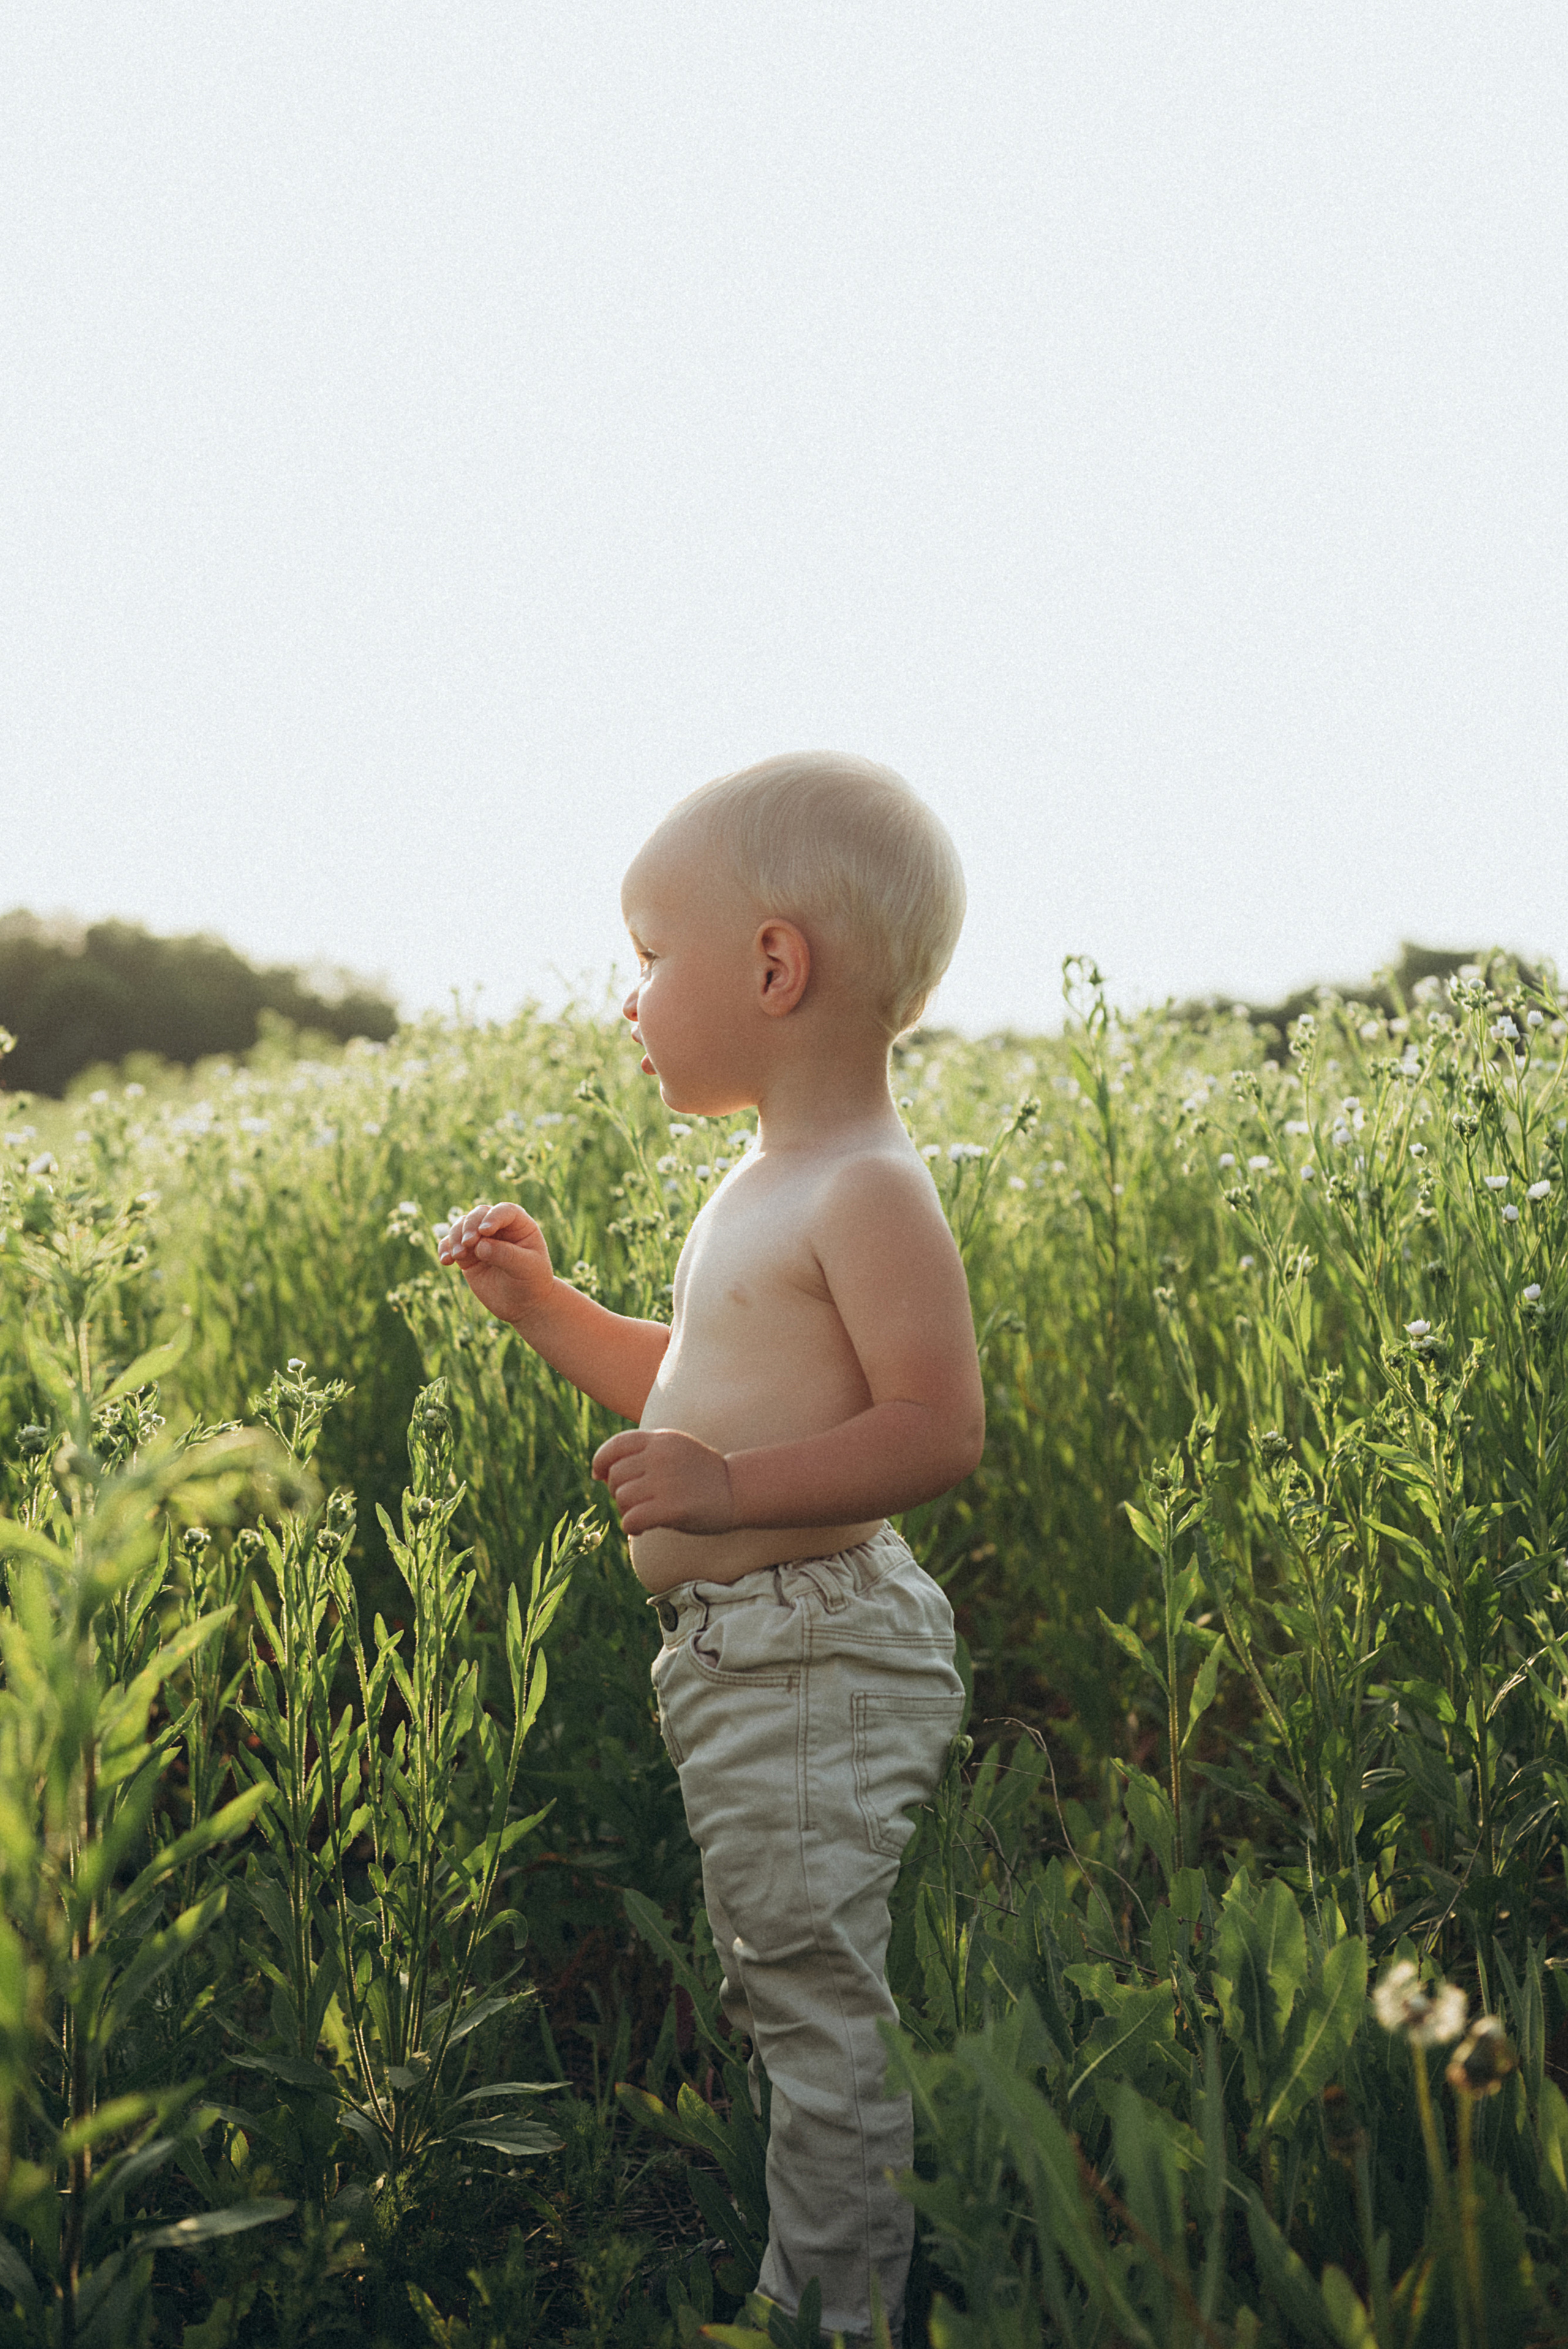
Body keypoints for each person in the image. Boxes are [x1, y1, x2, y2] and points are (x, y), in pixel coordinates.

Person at [439, 750, 984, 2343]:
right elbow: (692, 1393)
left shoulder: (865, 1190)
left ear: (773, 967)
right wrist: (547, 1309)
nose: (630, 1000)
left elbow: (935, 1430)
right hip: (756, 1657)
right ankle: (836, 2266)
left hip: (813, 1641)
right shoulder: (769, 1180)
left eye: (648, 956)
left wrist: (730, 1493)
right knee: (788, 1975)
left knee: (815, 1997)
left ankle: (829, 2312)